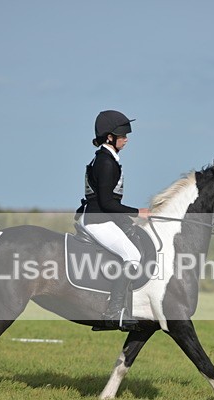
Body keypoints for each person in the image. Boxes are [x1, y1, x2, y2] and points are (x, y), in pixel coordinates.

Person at [75, 110, 150, 331]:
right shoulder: (106, 163)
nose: (126, 139)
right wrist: (138, 212)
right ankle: (114, 311)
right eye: (122, 135)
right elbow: (107, 203)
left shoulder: (106, 158)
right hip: (98, 220)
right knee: (133, 255)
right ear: (110, 137)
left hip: (101, 217)